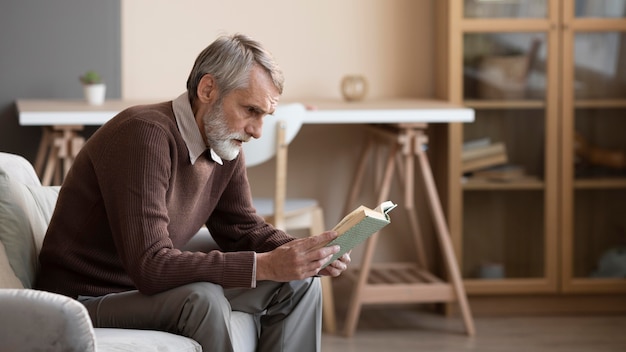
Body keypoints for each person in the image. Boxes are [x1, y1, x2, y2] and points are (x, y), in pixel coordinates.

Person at [36, 33, 350, 351]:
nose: (257, 131)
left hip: (142, 293)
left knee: (301, 283)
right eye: (250, 110)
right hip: (84, 298)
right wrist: (267, 265)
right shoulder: (144, 135)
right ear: (207, 89)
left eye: (263, 116)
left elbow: (243, 229)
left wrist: (308, 254)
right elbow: (150, 265)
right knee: (202, 298)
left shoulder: (223, 144)